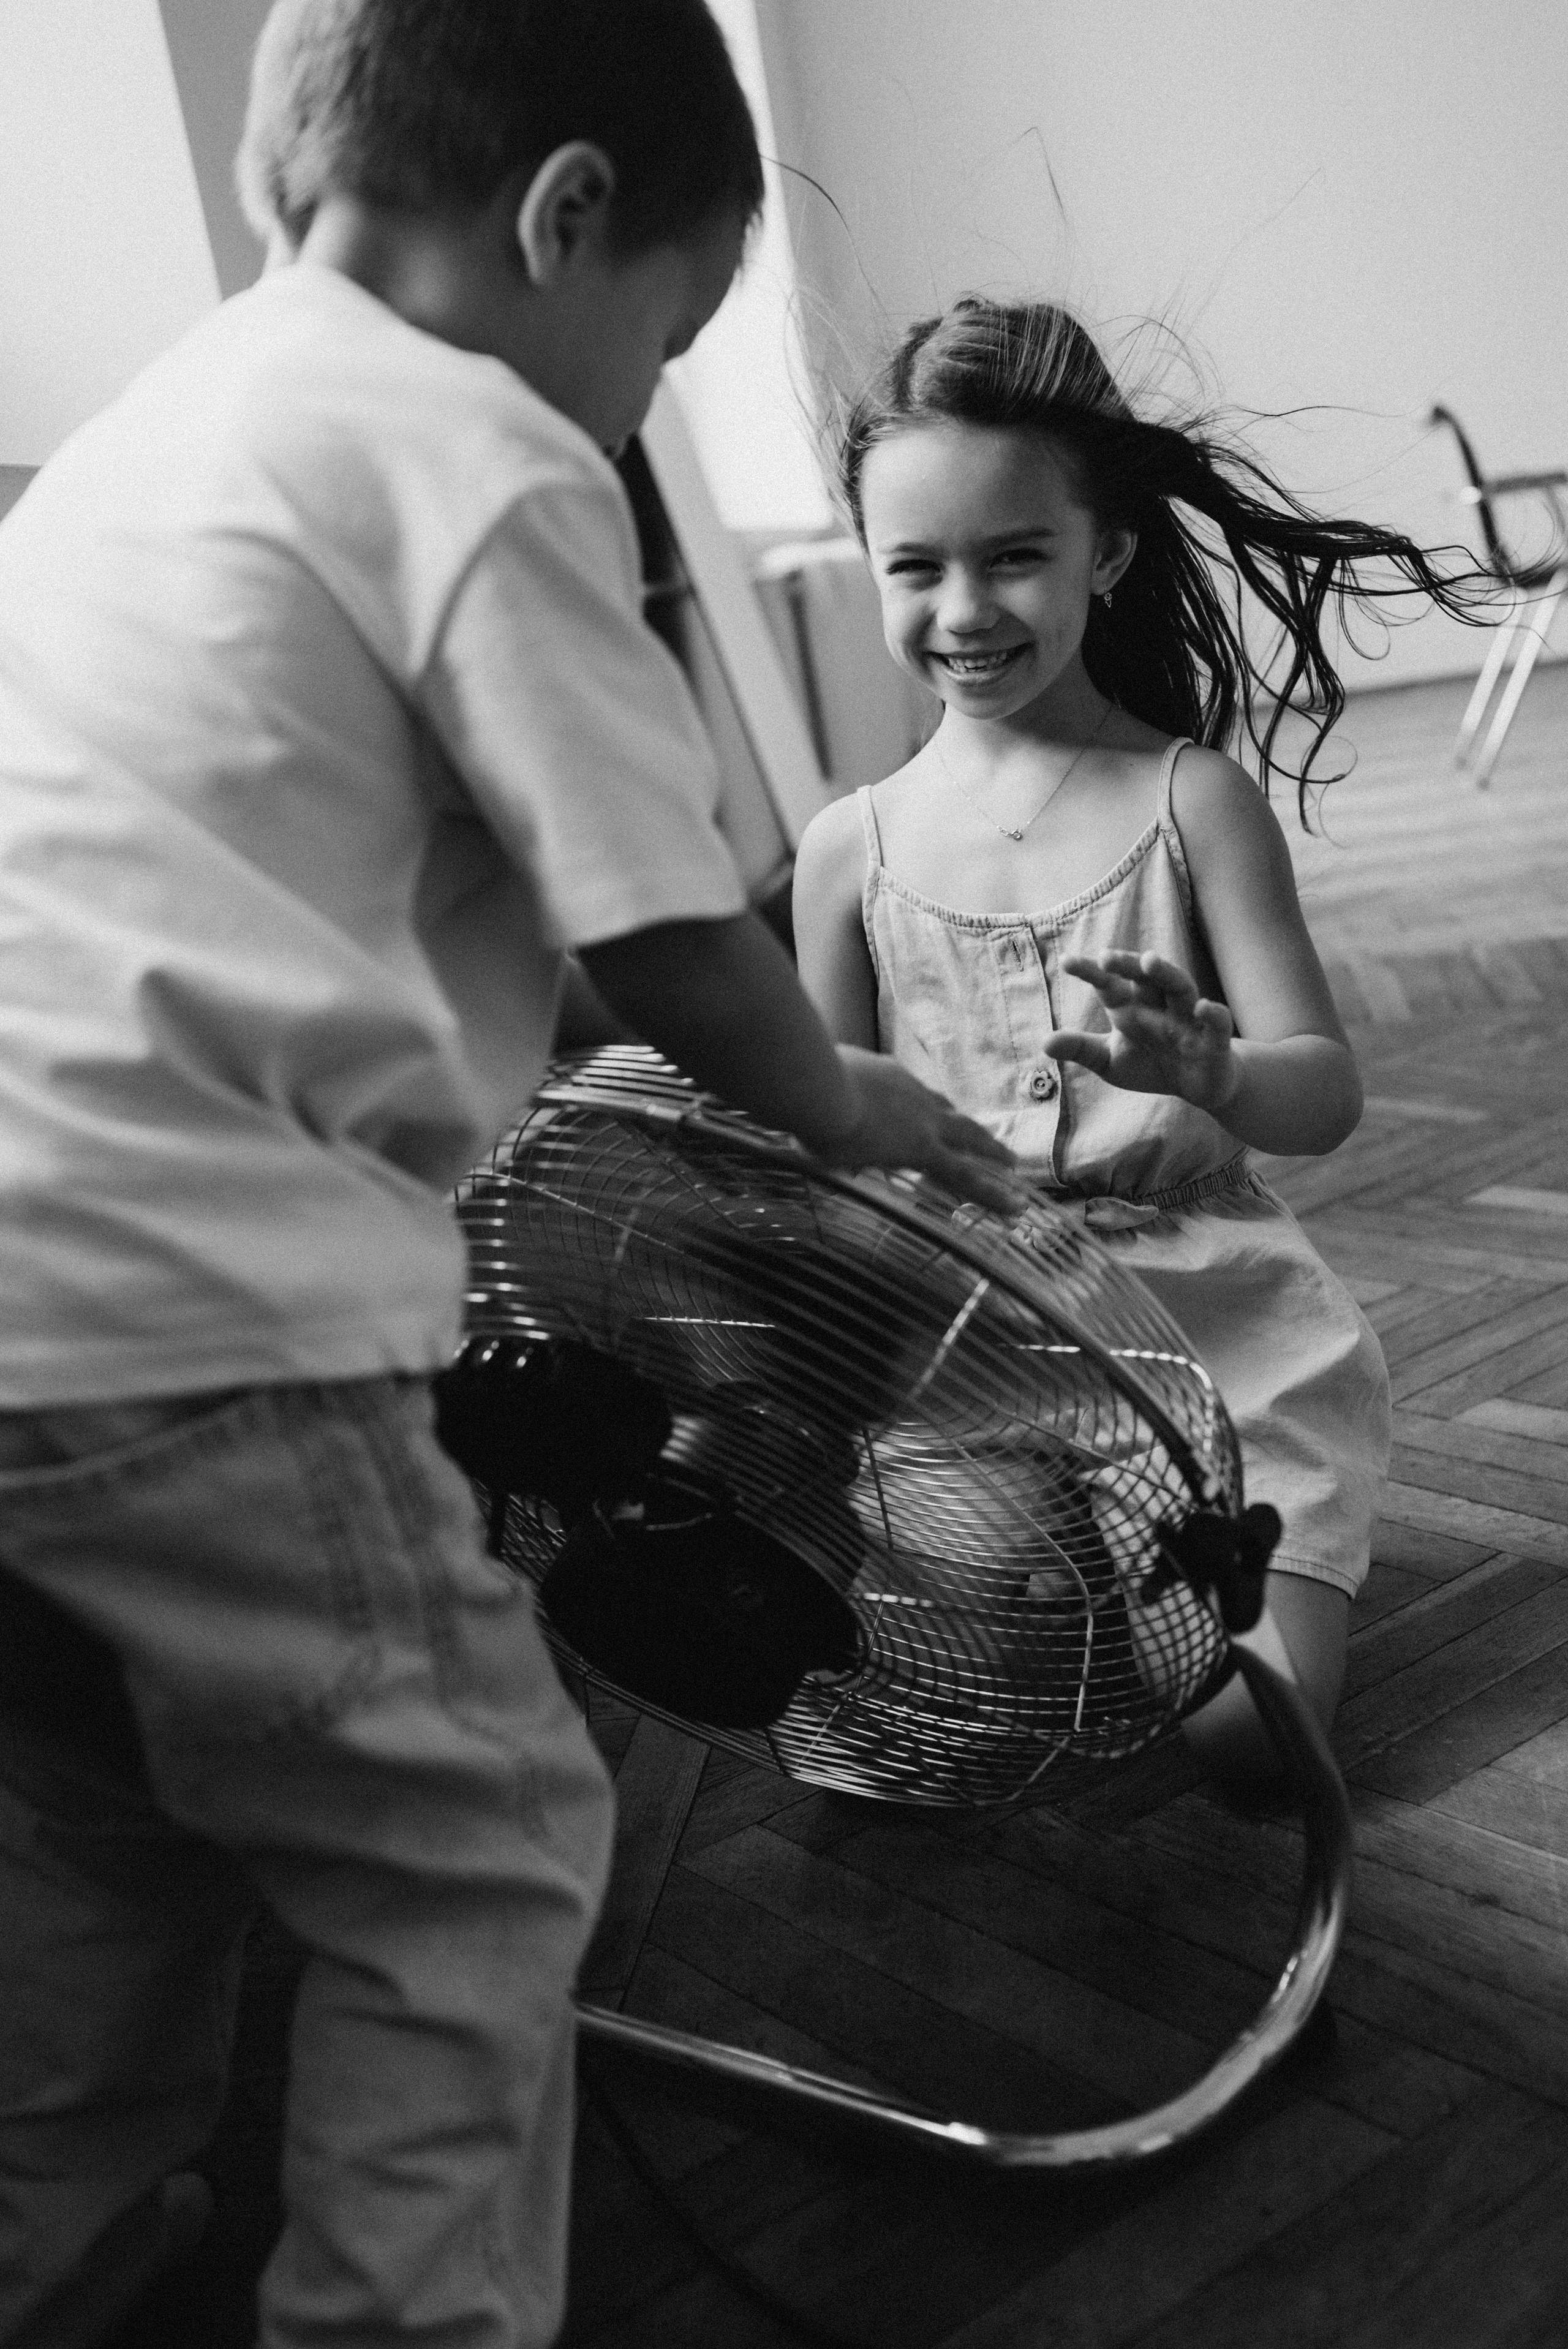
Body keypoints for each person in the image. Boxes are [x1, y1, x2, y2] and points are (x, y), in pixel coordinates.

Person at [0, 7, 1016, 2345]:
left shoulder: (156, 441)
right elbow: (656, 918)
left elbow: (324, 885)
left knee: (96, 1855)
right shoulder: (473, 444)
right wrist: (841, 1099)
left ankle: (54, 2251)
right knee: (473, 1863)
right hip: (202, 1341)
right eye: (657, 345)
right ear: (565, 217)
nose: (628, 412)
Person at [793, 296, 1482, 1786]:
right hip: (973, 1356)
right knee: (965, 1691)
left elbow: (1326, 1093)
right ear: (867, 566)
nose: (961, 610)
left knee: (1248, 1750)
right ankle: (1066, 1576)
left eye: (1012, 556)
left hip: (1216, 1339)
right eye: (913, 567)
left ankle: (1167, 1587)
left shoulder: (1191, 802)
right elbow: (823, 1140)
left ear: (1102, 553)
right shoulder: (846, 851)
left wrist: (1219, 1075)